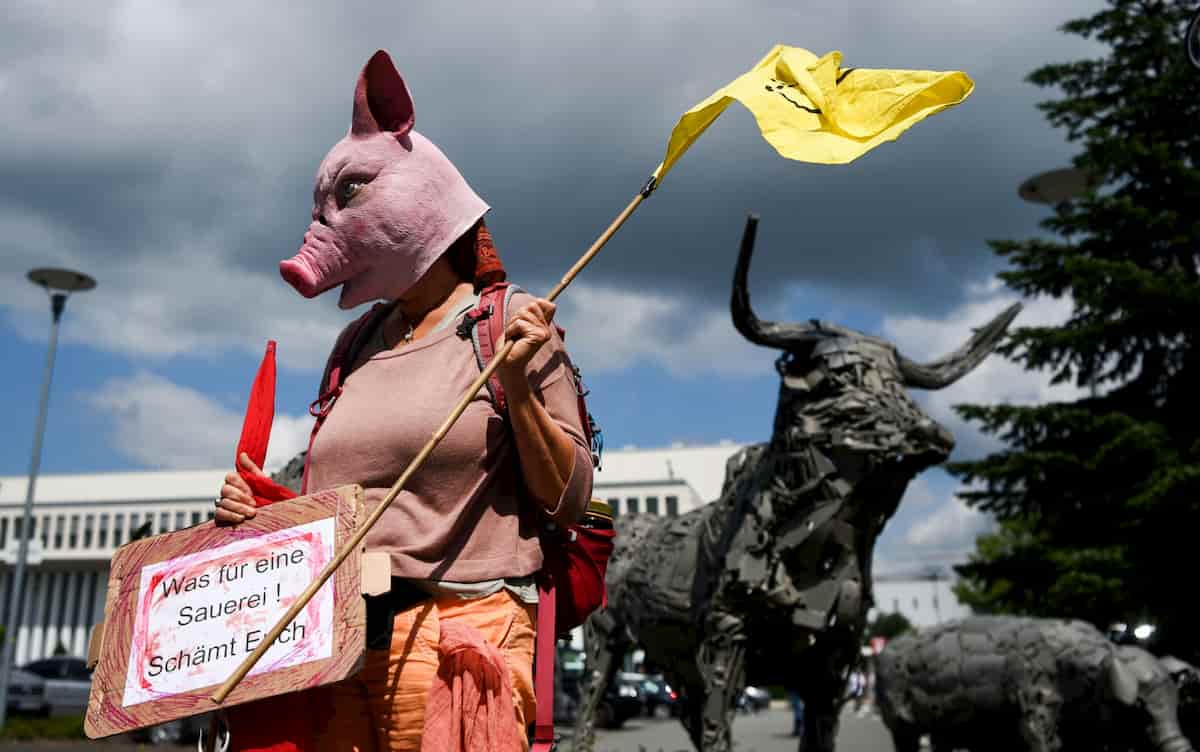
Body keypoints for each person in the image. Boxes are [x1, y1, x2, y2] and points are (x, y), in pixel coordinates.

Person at [214, 51, 593, 752]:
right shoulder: (354, 344)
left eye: (349, 195)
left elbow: (568, 495)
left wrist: (516, 389)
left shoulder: (508, 323)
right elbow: (341, 500)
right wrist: (261, 515)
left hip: (455, 642)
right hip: (339, 647)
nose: (325, 224)